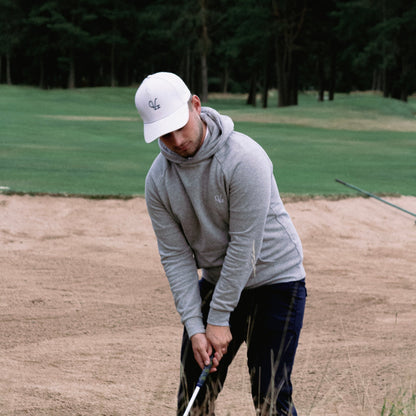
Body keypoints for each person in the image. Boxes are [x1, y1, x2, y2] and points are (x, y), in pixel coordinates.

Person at [134, 72, 307, 416]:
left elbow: (245, 247)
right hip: (217, 280)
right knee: (193, 395)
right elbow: (176, 257)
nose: (175, 140)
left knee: (269, 395)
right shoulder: (158, 181)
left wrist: (218, 319)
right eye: (164, 134)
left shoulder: (245, 159)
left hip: (276, 282)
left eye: (179, 126)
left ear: (195, 105)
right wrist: (197, 329)